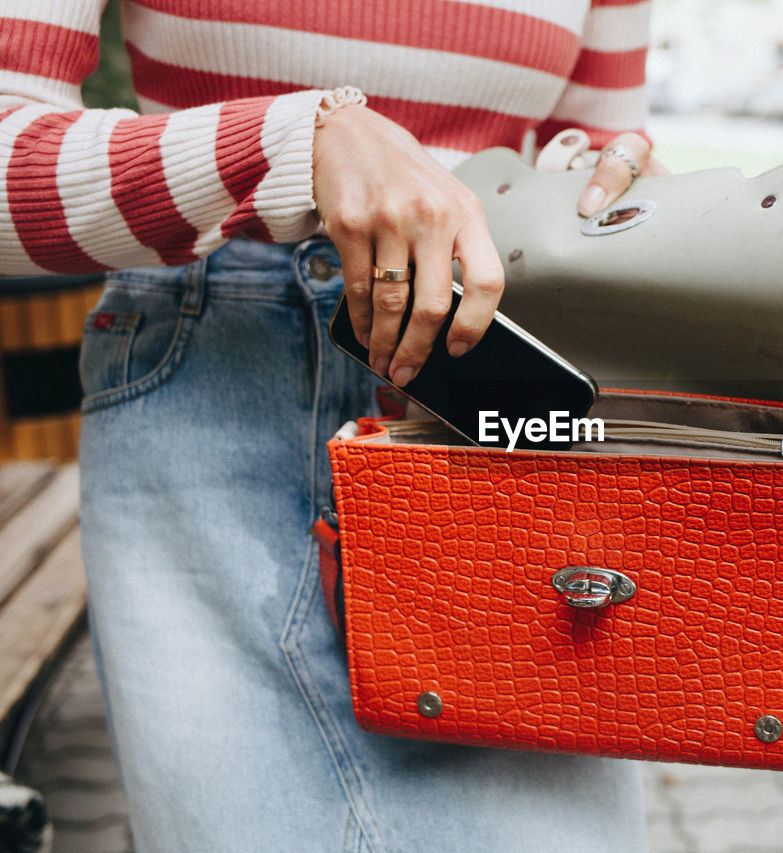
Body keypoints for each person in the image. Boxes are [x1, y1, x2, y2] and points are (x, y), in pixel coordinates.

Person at [0, 1, 661, 849]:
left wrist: (640, 195)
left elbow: (597, 150)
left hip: (486, 413)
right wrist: (291, 142)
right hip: (218, 412)